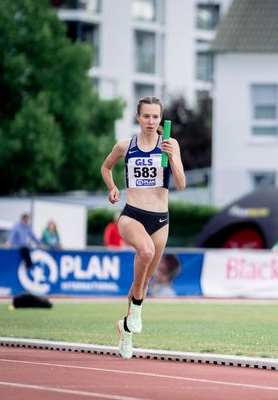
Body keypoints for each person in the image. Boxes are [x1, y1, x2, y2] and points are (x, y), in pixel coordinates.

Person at [101, 96, 186, 360]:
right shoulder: (126, 145)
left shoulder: (169, 145)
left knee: (146, 278)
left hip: (161, 219)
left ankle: (126, 330)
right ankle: (136, 308)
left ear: (161, 119)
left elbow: (181, 184)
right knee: (146, 253)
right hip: (132, 214)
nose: (151, 121)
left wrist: (172, 159)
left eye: (155, 117)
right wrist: (113, 188)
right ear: (138, 117)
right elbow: (106, 167)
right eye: (146, 116)